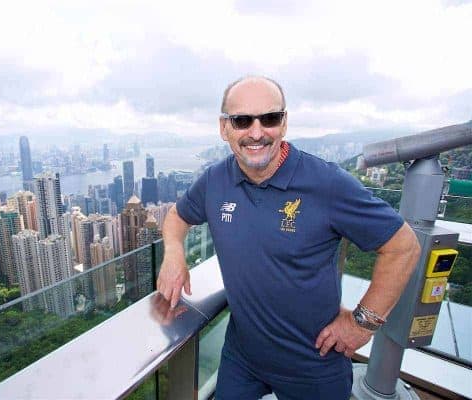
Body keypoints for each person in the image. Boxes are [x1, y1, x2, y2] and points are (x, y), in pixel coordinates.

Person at [156, 76, 421, 400]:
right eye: (242, 121)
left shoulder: (326, 183)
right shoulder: (215, 179)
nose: (256, 132)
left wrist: (362, 324)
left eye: (269, 118)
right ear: (224, 128)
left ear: (283, 124)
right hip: (242, 357)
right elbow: (177, 216)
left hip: (315, 363)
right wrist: (173, 253)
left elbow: (403, 246)